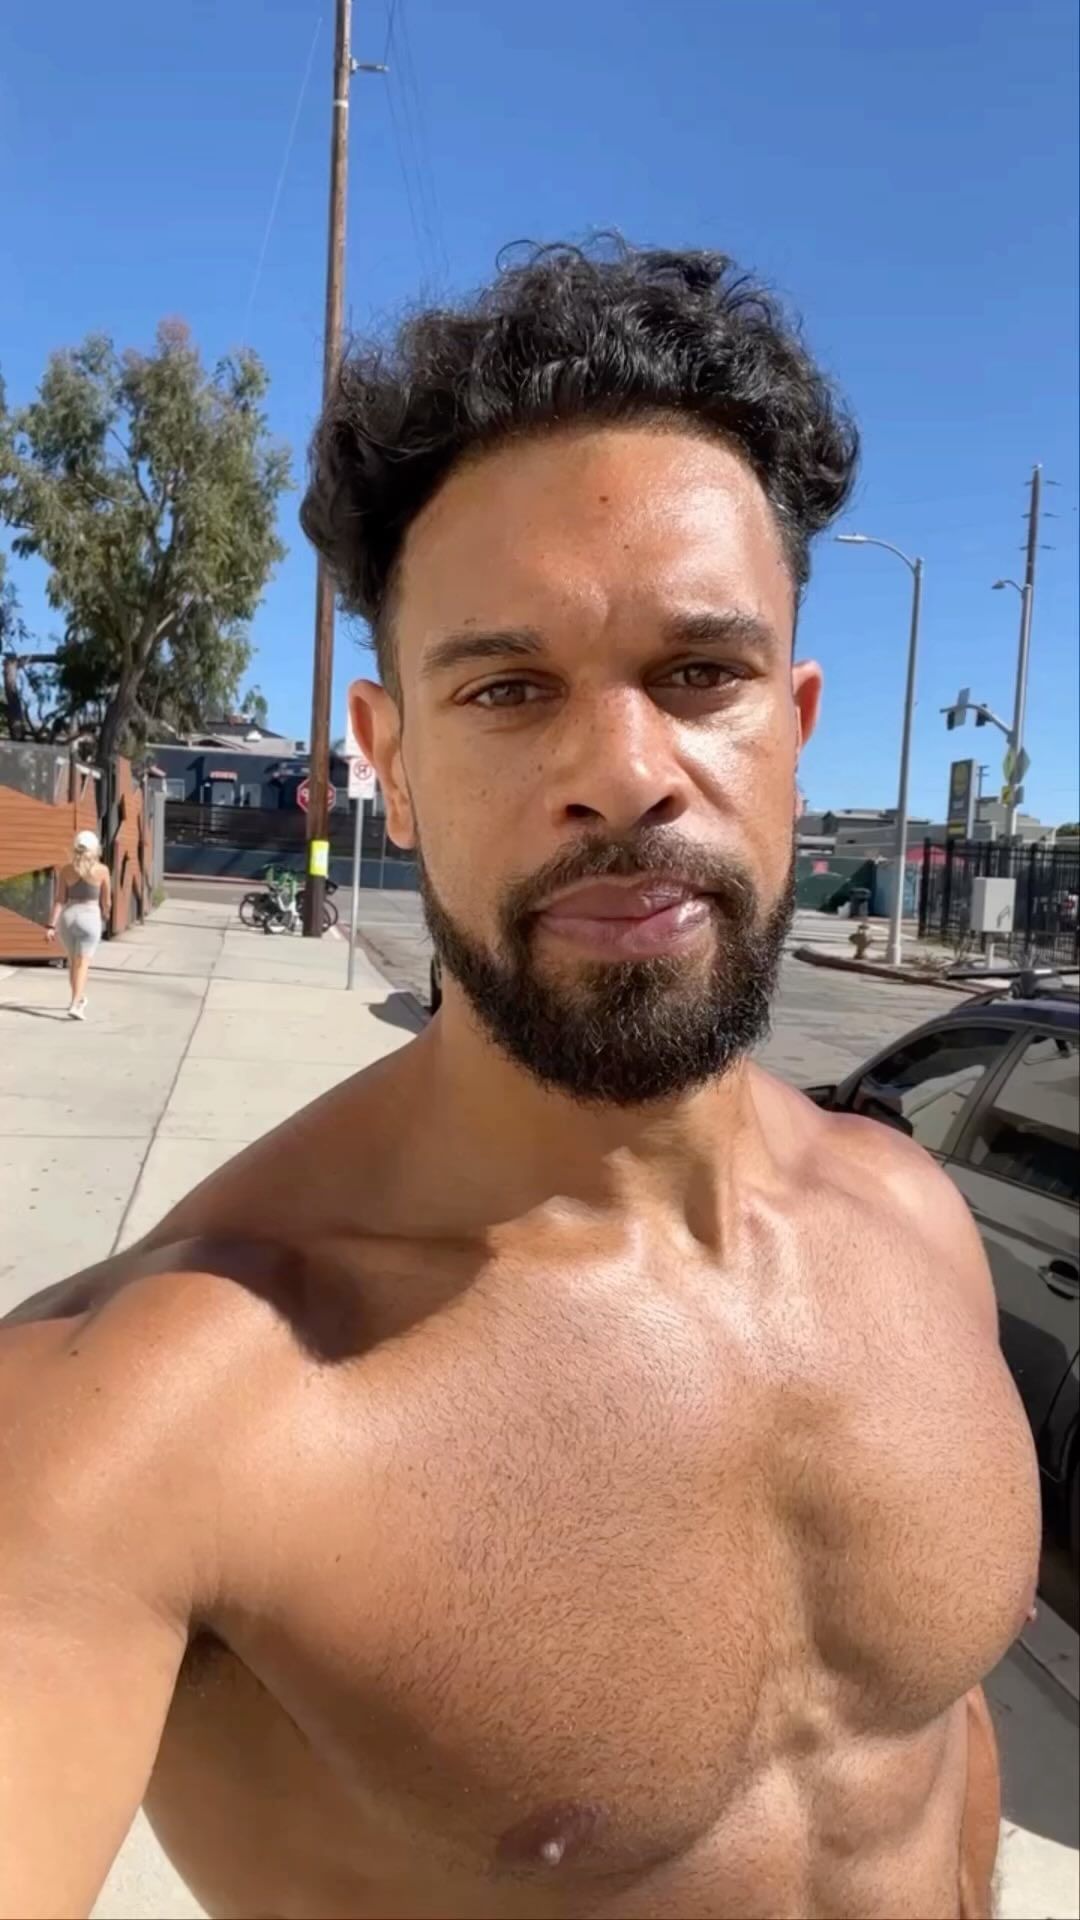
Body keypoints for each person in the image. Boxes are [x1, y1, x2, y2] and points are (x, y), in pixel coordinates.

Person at [1, 243, 1039, 1920]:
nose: (623, 776)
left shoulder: (915, 1232)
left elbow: (940, 1752)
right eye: (507, 688)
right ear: (390, 760)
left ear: (794, 724)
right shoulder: (144, 1411)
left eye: (701, 675)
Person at [45, 828, 111, 1019]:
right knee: (83, 963)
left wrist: (51, 926)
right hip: (89, 917)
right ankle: (76, 1004)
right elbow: (106, 901)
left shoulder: (66, 870)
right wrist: (105, 915)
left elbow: (60, 900)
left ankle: (76, 998)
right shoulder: (102, 870)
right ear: (95, 849)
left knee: (73, 962)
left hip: (68, 918)